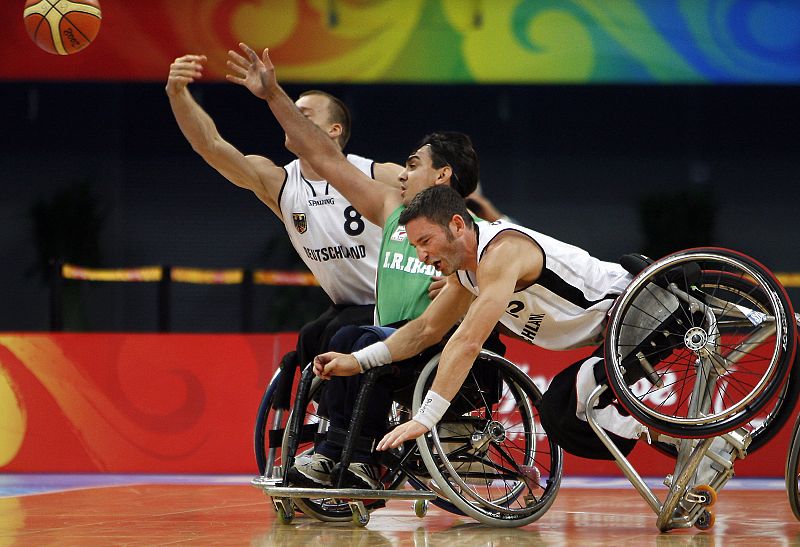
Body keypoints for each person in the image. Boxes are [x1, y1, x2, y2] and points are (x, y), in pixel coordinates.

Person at [225, 43, 507, 489]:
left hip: (444, 349)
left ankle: (356, 457)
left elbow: (512, 289)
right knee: (343, 337)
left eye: (413, 165)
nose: (402, 173)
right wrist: (273, 95)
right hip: (398, 343)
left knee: (356, 338)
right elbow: (323, 157)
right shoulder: (392, 209)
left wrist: (466, 283)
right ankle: (337, 454)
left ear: (442, 176)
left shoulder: (478, 237)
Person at [314, 184, 648, 463]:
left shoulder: (502, 252)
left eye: (425, 242)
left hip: (639, 307)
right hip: (609, 330)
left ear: (458, 225)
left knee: (569, 403)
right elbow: (425, 330)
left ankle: (661, 434)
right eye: (415, 246)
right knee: (558, 414)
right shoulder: (466, 274)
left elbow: (467, 342)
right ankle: (662, 438)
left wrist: (425, 418)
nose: (421, 256)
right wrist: (358, 361)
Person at [166, 53, 404, 372]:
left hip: (396, 308)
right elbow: (210, 145)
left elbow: (444, 199)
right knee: (311, 338)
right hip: (347, 307)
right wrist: (177, 94)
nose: (288, 118)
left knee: (338, 334)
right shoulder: (281, 182)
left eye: (301, 114)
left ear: (334, 130)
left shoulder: (378, 175)